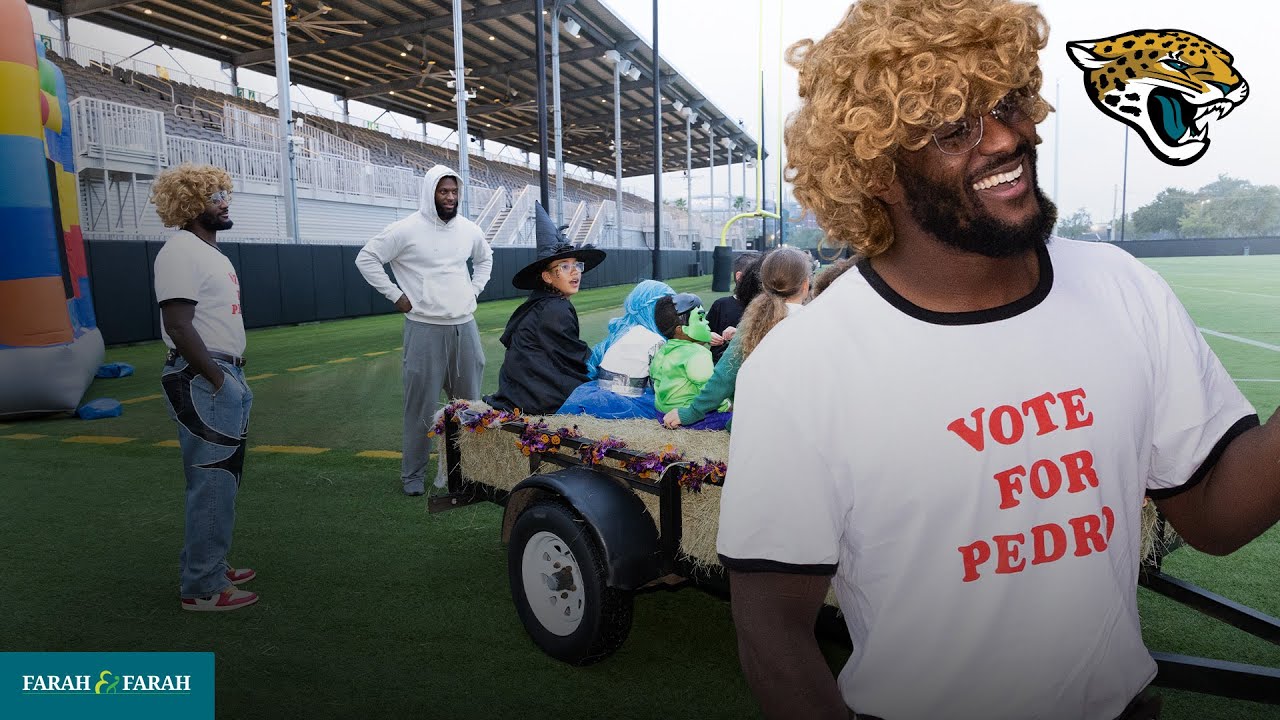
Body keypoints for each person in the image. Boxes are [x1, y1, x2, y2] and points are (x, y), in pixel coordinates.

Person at [716, 1, 1280, 719]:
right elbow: (772, 631)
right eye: (957, 129)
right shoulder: (802, 367)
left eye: (1010, 102)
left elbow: (1215, 516)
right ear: (880, 170)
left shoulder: (1122, 285)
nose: (1010, 138)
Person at [152, 164, 258, 612]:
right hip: (204, 377)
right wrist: (217, 380)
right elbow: (179, 325)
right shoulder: (180, 250)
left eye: (224, 193)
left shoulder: (210, 251)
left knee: (221, 481)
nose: (224, 201)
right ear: (192, 203)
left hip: (222, 375)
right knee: (212, 481)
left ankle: (209, 563)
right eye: (214, 195)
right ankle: (202, 587)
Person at [356, 165, 492, 496]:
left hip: (464, 327)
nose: (449, 197)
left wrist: (472, 291)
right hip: (424, 329)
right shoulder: (405, 229)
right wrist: (395, 295)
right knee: (421, 407)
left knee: (469, 405)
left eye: (454, 191)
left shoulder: (469, 229)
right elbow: (367, 258)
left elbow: (485, 260)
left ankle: (466, 472)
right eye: (443, 191)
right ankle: (412, 475)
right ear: (430, 192)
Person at [662, 247, 808, 430]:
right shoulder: (819, 324)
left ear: (763, 286)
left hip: (753, 431)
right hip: (804, 430)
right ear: (805, 284)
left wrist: (691, 412)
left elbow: (723, 378)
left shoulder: (752, 328)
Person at [485, 203, 606, 416]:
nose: (575, 272)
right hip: (538, 398)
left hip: (522, 392)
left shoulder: (543, 302)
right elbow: (574, 358)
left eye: (577, 265)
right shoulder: (555, 308)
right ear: (547, 276)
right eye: (564, 267)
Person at [557, 280, 674, 419]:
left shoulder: (621, 333)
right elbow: (659, 385)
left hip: (598, 393)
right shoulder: (656, 340)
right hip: (631, 400)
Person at [648, 294, 730, 421]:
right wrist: (727, 406)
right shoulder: (698, 353)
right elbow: (710, 392)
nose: (707, 321)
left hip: (662, 414)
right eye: (701, 318)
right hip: (687, 416)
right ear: (681, 330)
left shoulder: (663, 350)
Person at [706, 251, 760, 364]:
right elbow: (701, 335)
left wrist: (740, 334)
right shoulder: (720, 305)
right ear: (739, 277)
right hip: (720, 368)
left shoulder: (766, 307)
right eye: (756, 276)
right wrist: (707, 336)